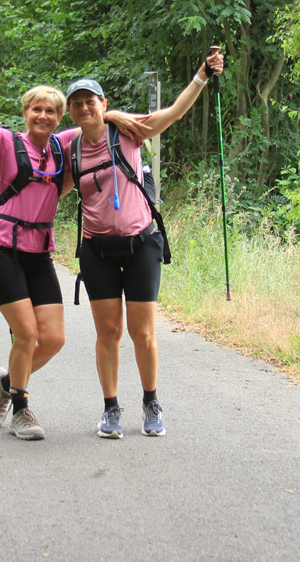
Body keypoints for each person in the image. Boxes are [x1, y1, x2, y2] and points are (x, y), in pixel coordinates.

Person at [0, 44, 144, 441]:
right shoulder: (3, 142)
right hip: (1, 250)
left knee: (53, 338)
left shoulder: (62, 146)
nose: (43, 115)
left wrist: (115, 112)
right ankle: (20, 409)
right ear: (25, 113)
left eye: (51, 111)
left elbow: (94, 117)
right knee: (26, 333)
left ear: (59, 118)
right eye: (36, 109)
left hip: (39, 253)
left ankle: (4, 385)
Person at [64, 48, 224, 439]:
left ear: (103, 104)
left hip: (142, 244)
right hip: (97, 249)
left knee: (144, 333)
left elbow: (174, 113)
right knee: (108, 333)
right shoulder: (70, 149)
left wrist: (202, 75)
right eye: (77, 103)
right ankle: (110, 408)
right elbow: (48, 192)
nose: (84, 107)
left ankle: (151, 401)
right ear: (71, 111)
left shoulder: (129, 131)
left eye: (90, 101)